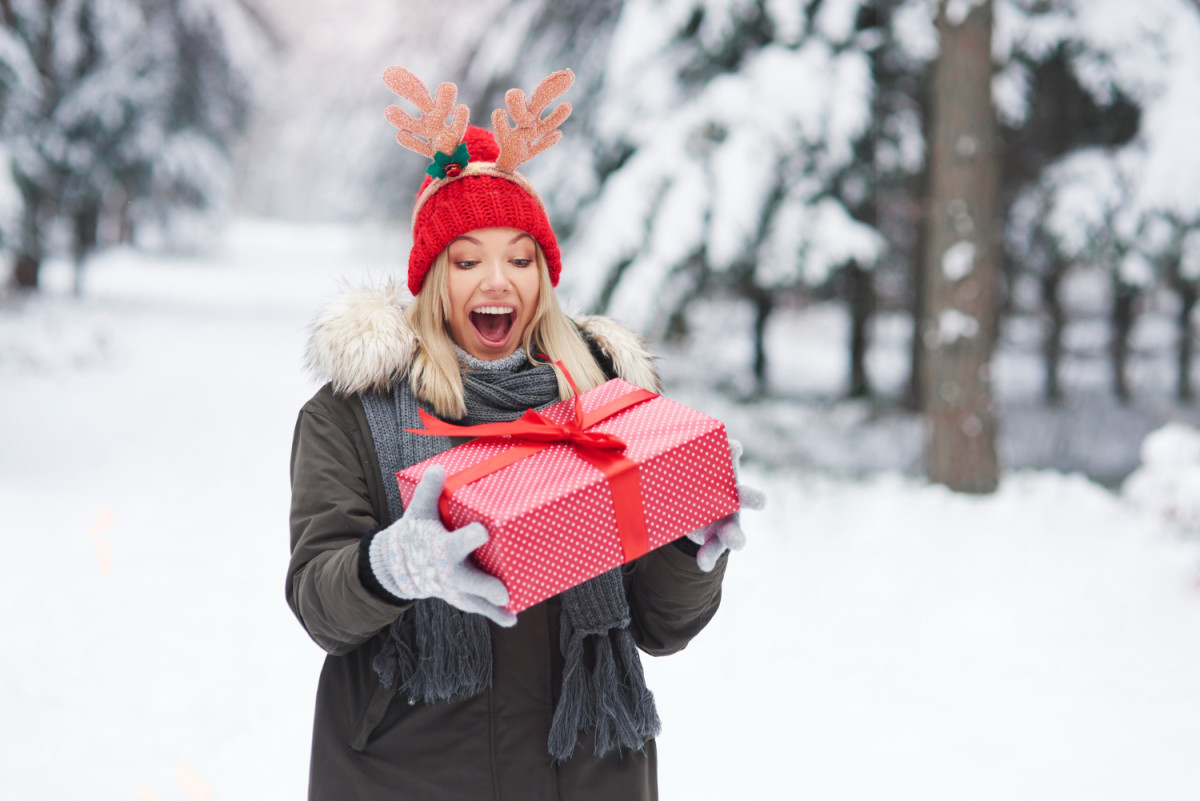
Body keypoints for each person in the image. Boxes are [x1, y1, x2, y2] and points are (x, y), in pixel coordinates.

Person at [286, 67, 764, 801]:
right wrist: (393, 567)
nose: (497, 282)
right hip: (406, 773)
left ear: (545, 274)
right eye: (467, 260)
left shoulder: (608, 401)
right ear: (431, 277)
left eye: (520, 257)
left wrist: (689, 547)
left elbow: (660, 628)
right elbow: (320, 603)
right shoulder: (352, 413)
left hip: (588, 771)